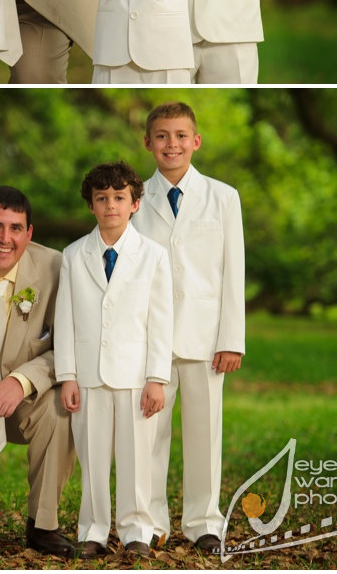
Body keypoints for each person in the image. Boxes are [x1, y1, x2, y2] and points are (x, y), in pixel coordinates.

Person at [131, 102, 245, 553]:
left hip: (204, 337)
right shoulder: (133, 197)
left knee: (204, 433)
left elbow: (232, 271)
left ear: (195, 141)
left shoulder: (223, 197)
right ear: (148, 143)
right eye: (161, 136)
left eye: (180, 136)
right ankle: (147, 523)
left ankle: (204, 523)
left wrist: (231, 338)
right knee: (148, 435)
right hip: (147, 340)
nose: (171, 144)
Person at [55, 162, 173, 560]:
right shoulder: (74, 255)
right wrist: (67, 375)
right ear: (91, 205)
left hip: (137, 374)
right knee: (92, 456)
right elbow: (66, 318)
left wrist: (157, 377)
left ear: (135, 204)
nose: (111, 206)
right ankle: (93, 529)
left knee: (137, 457)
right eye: (102, 199)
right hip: (88, 374)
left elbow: (161, 320)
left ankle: (136, 528)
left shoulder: (153, 255)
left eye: (119, 198)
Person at [0, 186, 77, 557]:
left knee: (59, 410)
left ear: (29, 233)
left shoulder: (55, 267)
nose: (6, 239)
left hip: (20, 399)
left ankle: (43, 525)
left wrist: (21, 380)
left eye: (16, 228)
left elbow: (69, 345)